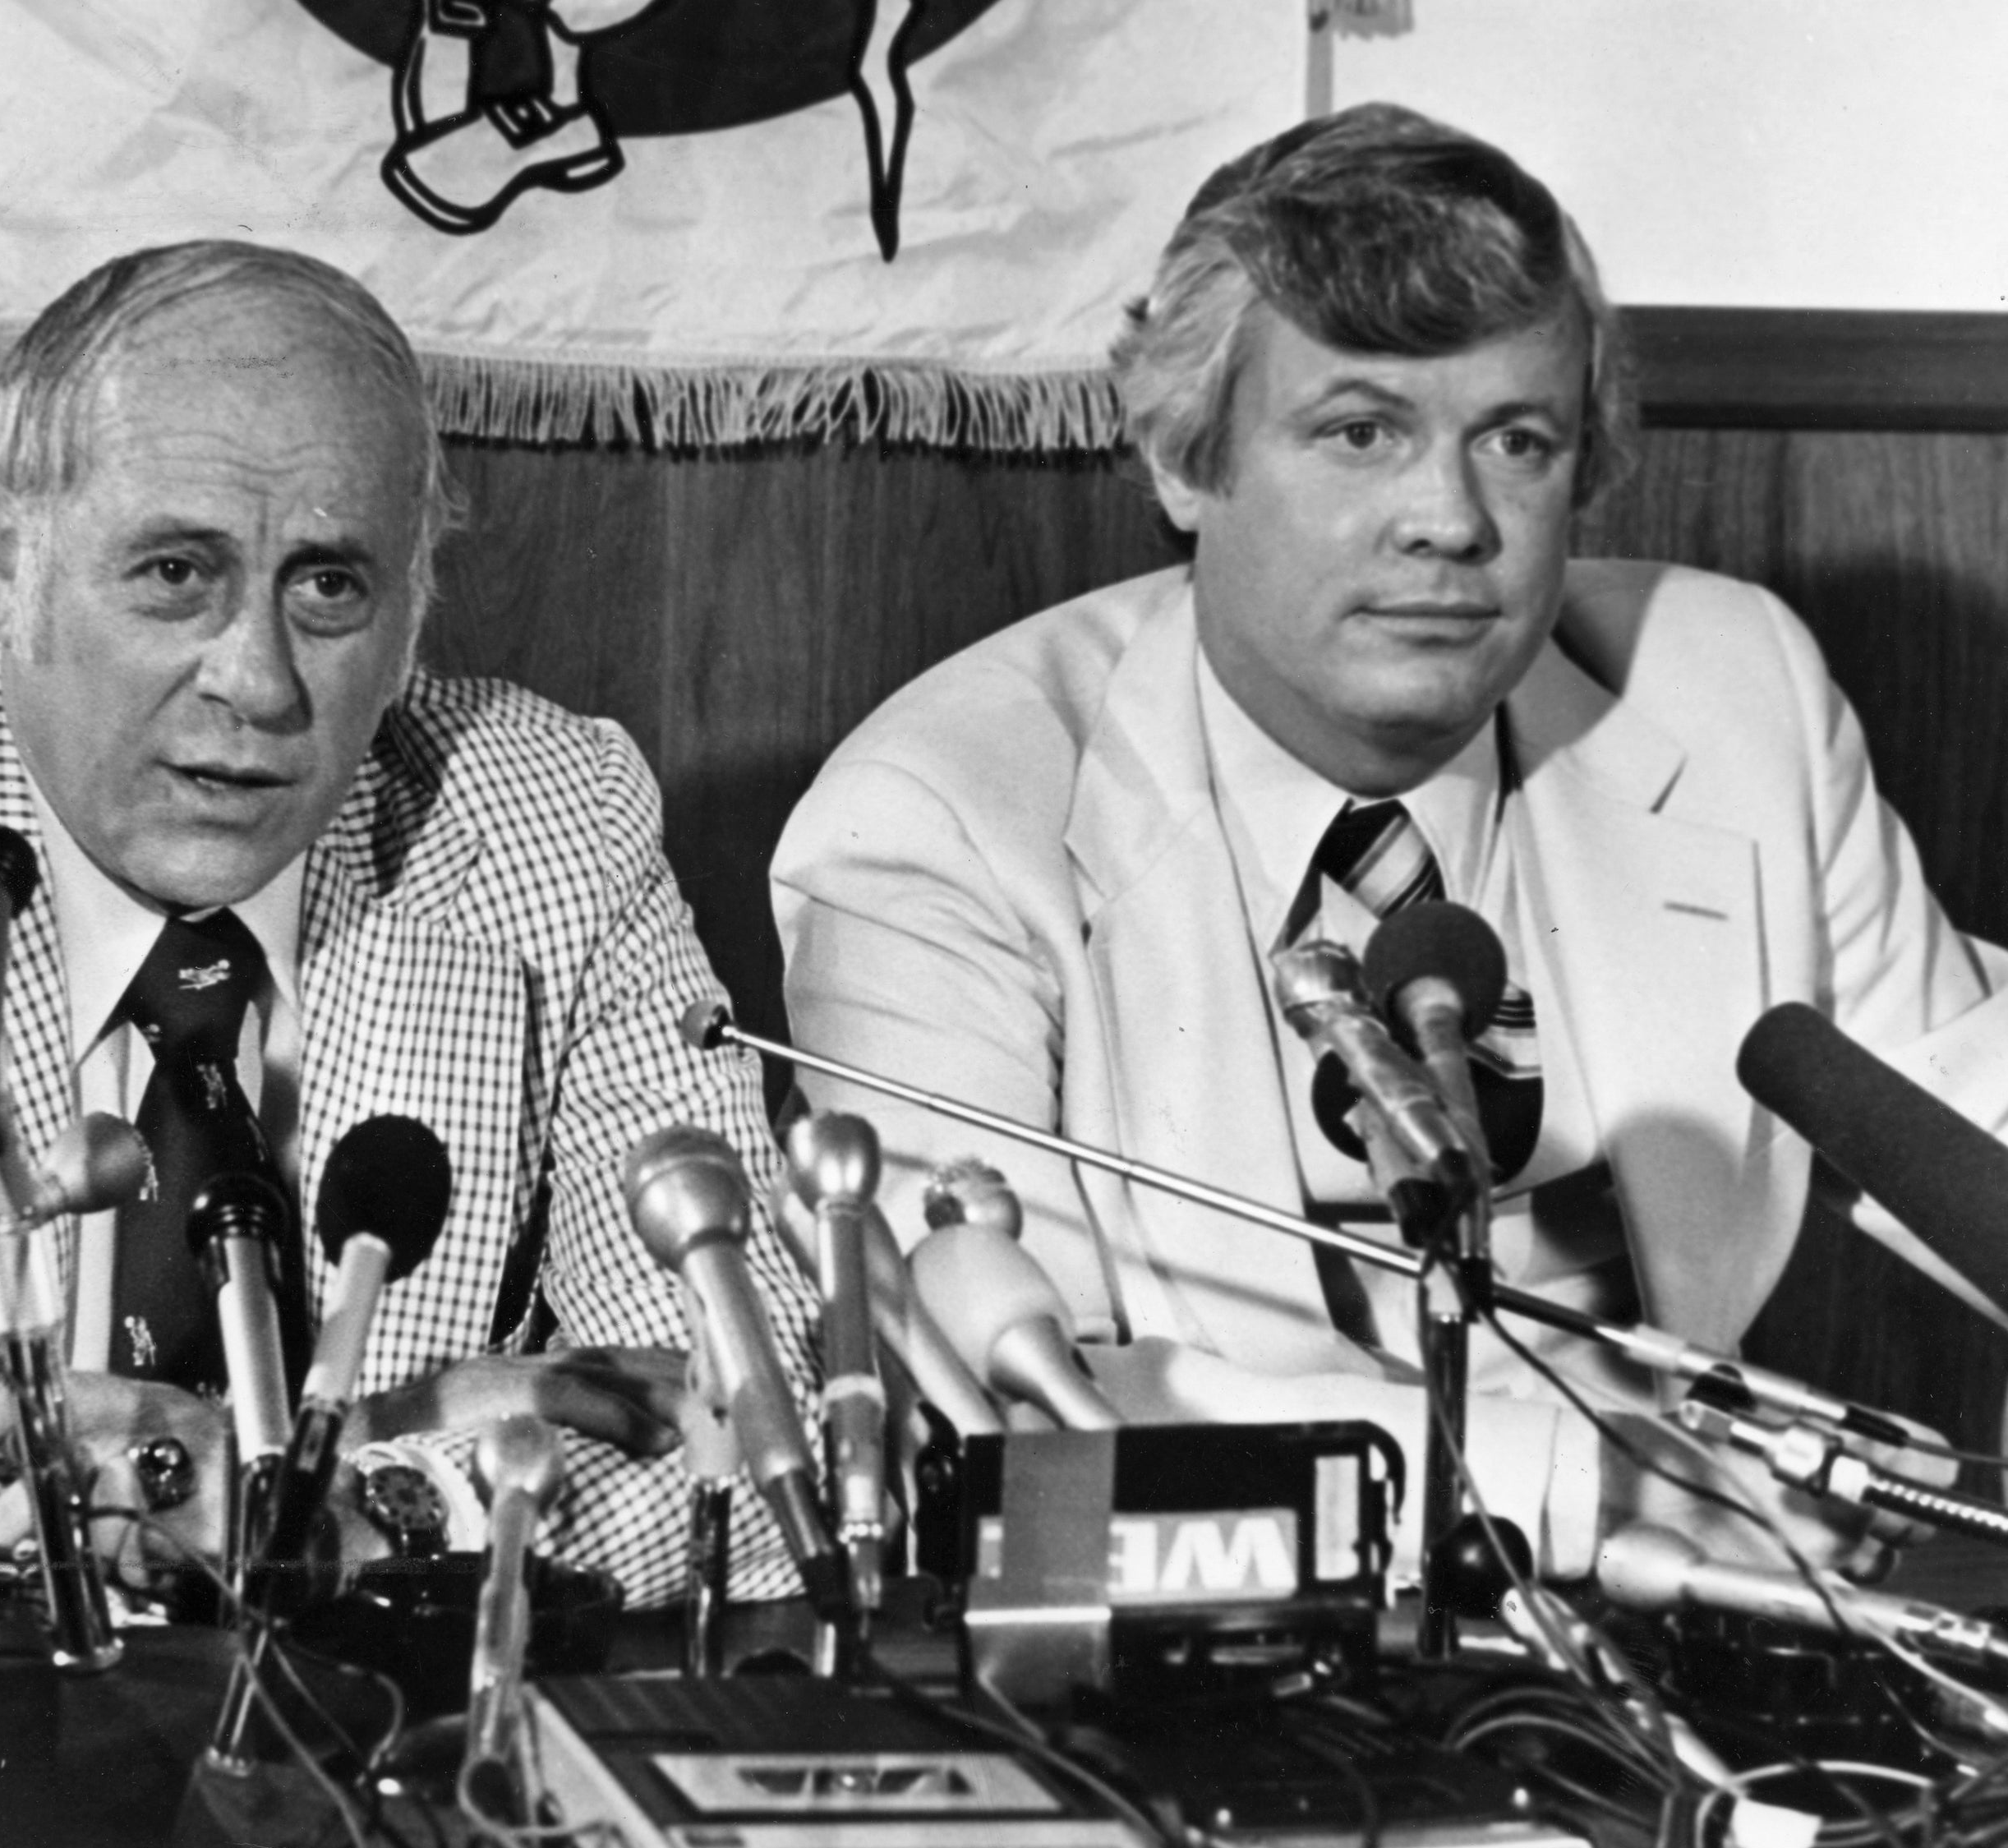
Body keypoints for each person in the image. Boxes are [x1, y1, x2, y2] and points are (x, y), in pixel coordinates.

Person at [774, 104, 1997, 1581]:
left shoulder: (1733, 691)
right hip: (1211, 1631)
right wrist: (1609, 1484)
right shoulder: (938, 812)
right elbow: (1017, 1412)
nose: (1450, 520)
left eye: (1517, 441)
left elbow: (1964, 1115)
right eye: (1361, 432)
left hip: (1720, 1599)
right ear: (1182, 458)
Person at [0, 239, 816, 1626]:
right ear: (8, 553)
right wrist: (370, 1442)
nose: (258, 682)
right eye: (175, 572)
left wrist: (349, 1499)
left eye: (329, 586)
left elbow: (773, 1441)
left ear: (412, 608)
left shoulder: (549, 818)